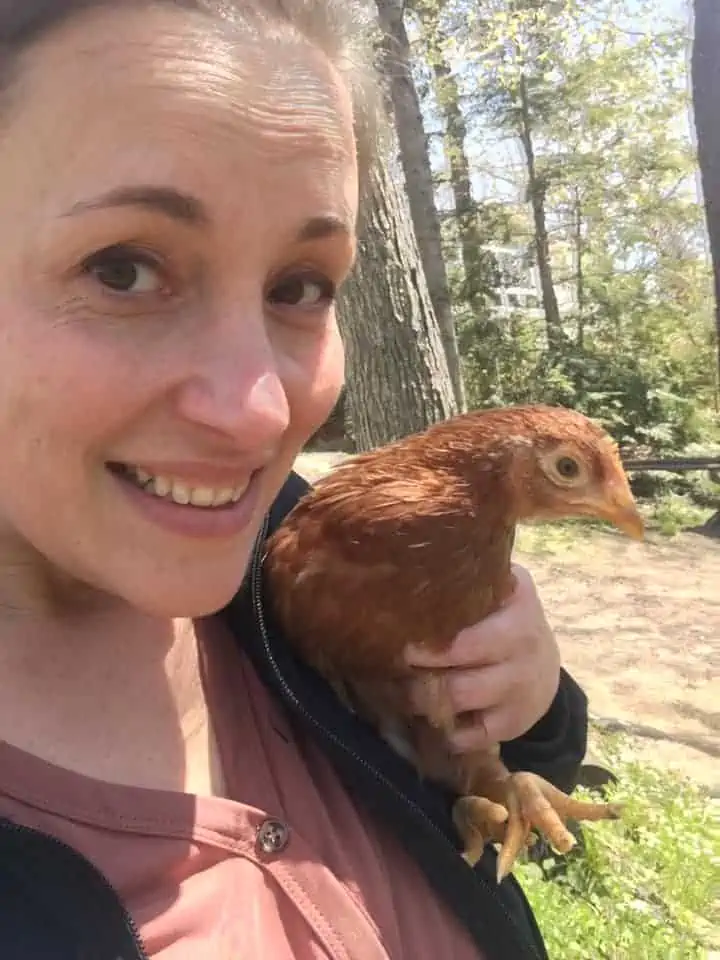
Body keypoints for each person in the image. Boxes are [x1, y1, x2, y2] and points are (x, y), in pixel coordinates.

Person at [0, 2, 589, 958]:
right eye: (122, 268)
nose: (260, 412)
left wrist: (532, 708)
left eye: (301, 285)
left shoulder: (294, 537)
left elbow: (462, 737)